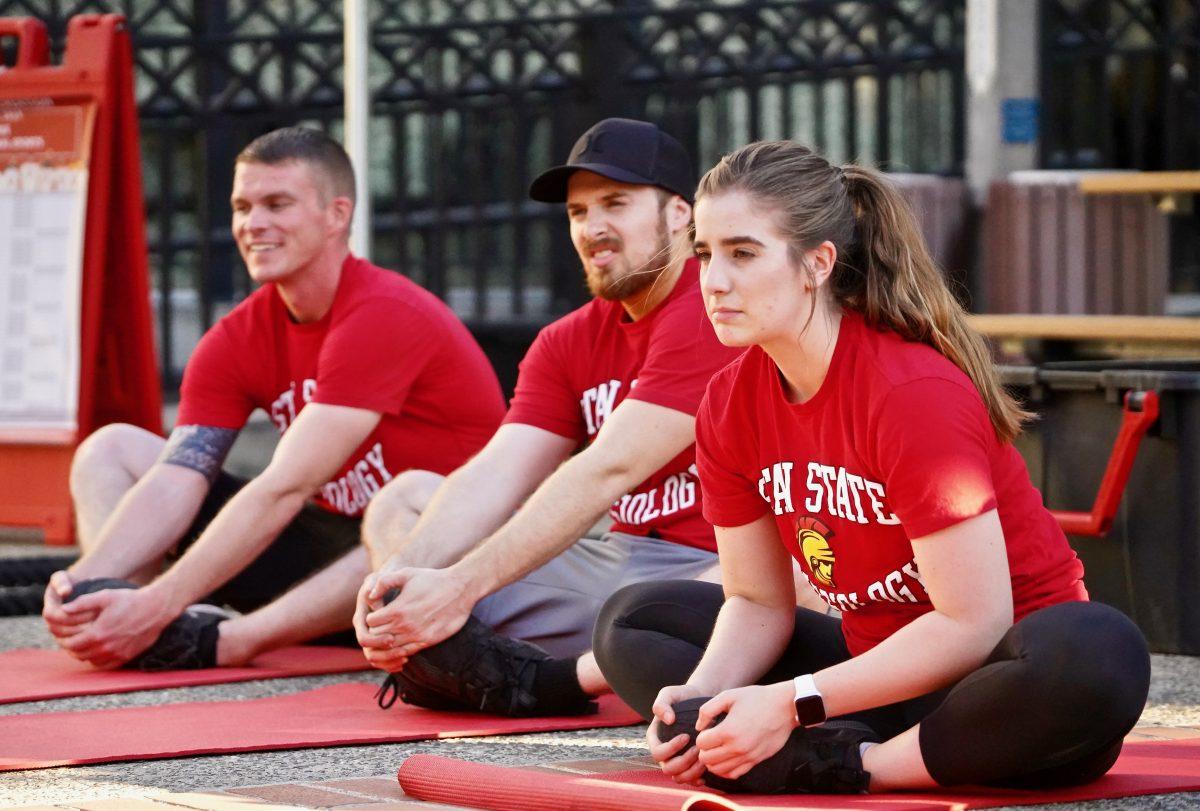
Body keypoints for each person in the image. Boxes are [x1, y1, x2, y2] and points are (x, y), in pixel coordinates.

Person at [592, 140, 1151, 794]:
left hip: (999, 684)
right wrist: (703, 700)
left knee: (1099, 651)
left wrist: (792, 701)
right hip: (872, 682)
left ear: (817, 263)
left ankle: (846, 763)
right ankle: (779, 746)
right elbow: (755, 599)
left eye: (743, 253)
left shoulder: (909, 393)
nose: (713, 281)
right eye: (705, 254)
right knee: (634, 621)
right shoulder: (729, 401)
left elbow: (975, 622)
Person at [42, 127, 506, 671]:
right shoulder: (236, 338)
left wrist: (163, 601)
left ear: (336, 215)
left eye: (276, 204)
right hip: (324, 547)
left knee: (399, 523)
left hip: (437, 559)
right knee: (112, 449)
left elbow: (285, 487)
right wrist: (83, 583)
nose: (252, 223)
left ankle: (221, 639)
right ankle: (113, 618)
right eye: (242, 206)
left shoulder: (383, 313)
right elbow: (179, 475)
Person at [353, 118, 754, 717]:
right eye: (577, 212)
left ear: (679, 214)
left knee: (662, 614)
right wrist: (402, 586)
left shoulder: (710, 307)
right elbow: (500, 471)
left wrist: (461, 586)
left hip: (713, 572)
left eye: (616, 203)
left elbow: (607, 469)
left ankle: (534, 677)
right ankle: (442, 649)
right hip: (614, 565)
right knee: (403, 501)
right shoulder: (567, 341)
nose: (594, 228)